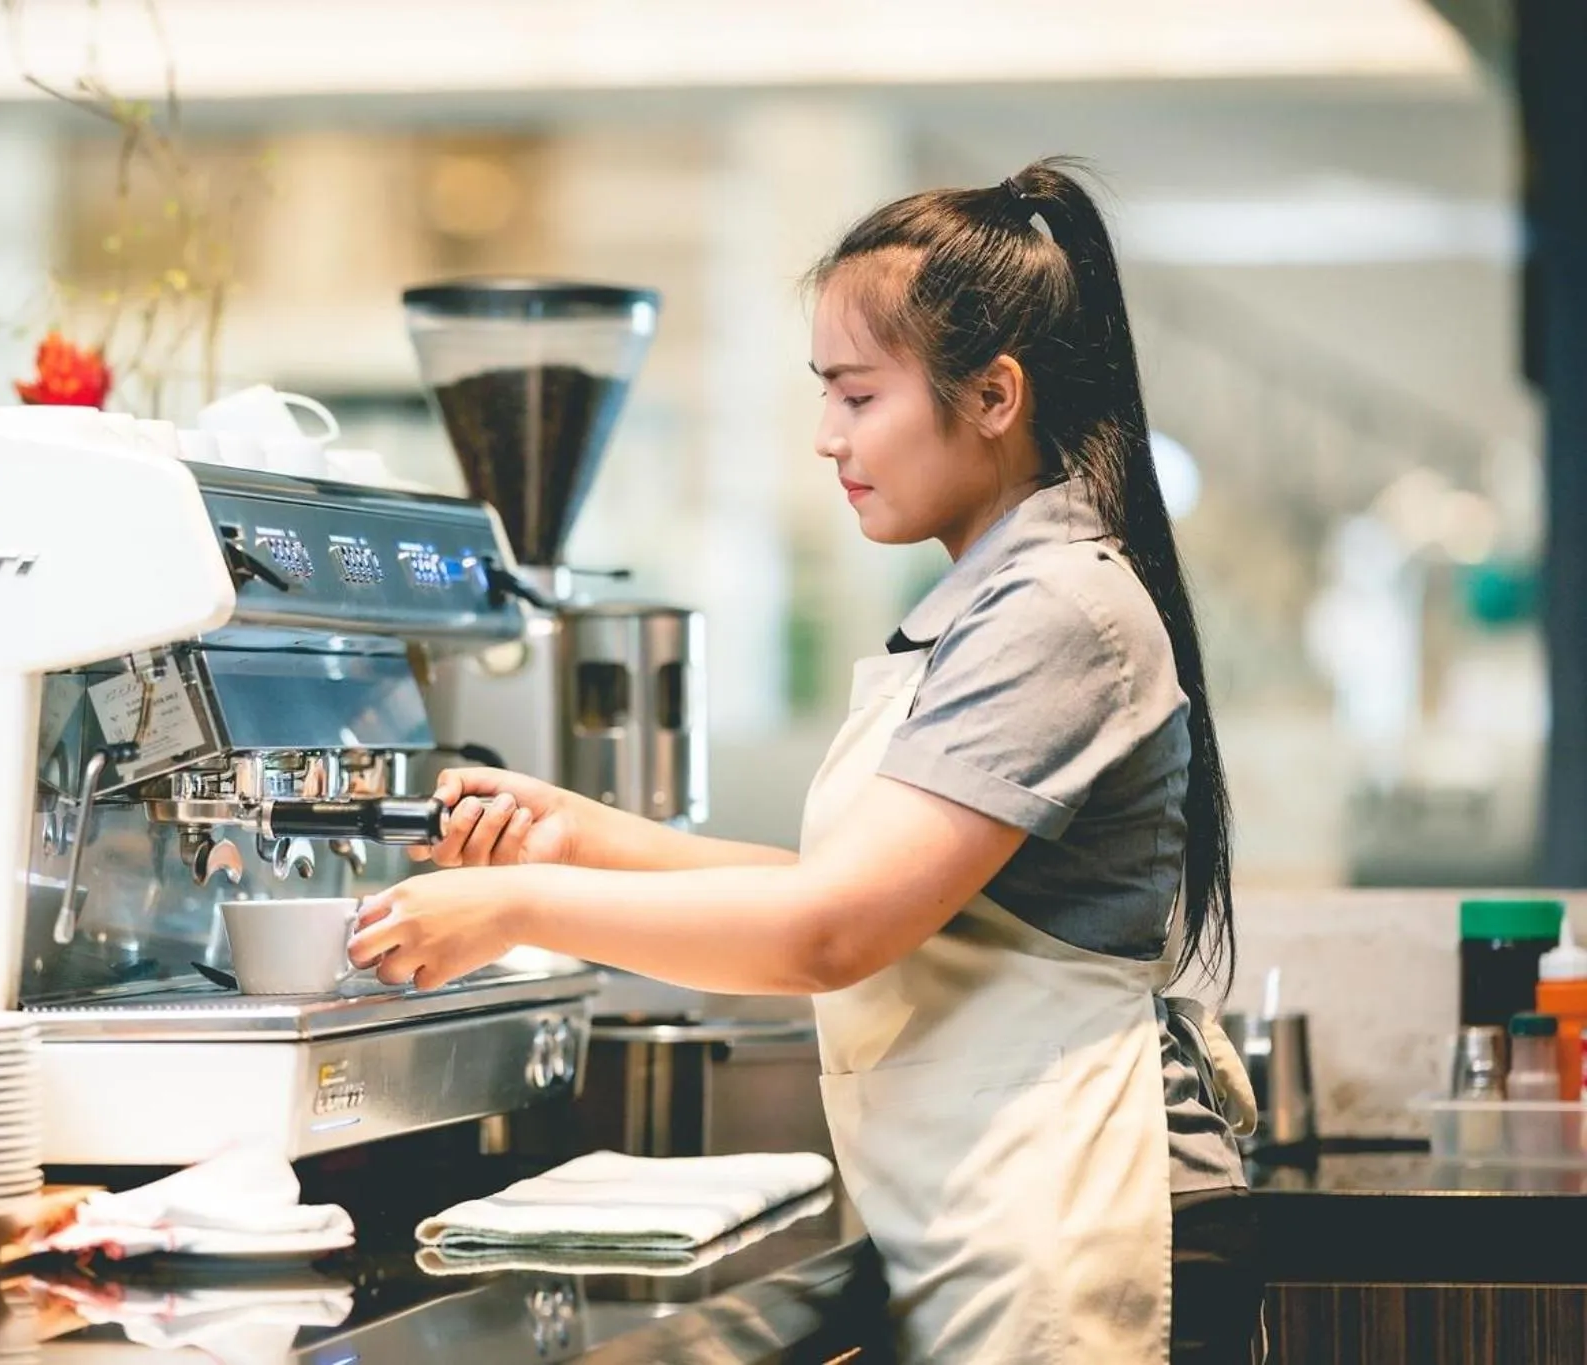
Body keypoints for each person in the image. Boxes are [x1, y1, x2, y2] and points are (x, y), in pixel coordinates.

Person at [347, 158, 1263, 1364]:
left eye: (856, 396)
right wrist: (577, 834)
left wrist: (517, 901)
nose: (828, 439)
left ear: (991, 396)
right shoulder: (990, 598)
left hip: (1075, 1219)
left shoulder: (1057, 612)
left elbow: (831, 934)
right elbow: (852, 889)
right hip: (999, 1204)